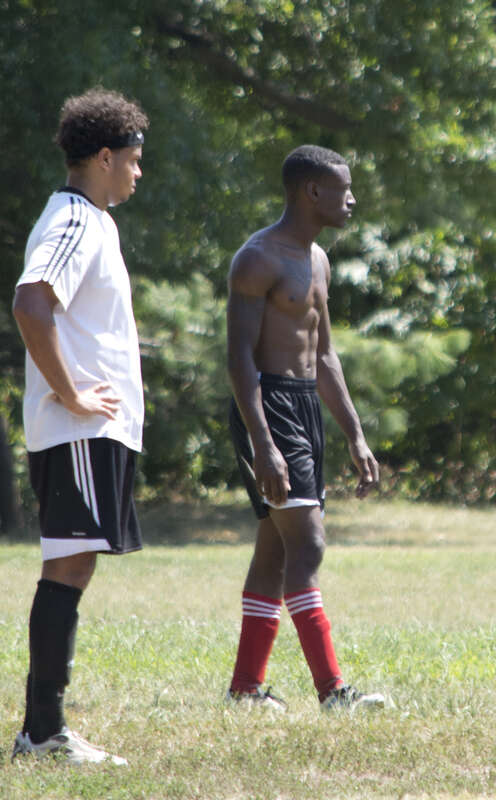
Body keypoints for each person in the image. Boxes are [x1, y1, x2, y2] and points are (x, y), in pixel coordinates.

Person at [11, 87, 149, 764]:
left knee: (76, 563)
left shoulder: (94, 221)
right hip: (76, 432)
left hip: (92, 433)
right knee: (67, 565)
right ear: (103, 155)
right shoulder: (72, 219)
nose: (137, 171)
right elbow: (31, 303)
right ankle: (43, 733)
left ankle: (43, 728)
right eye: (132, 158)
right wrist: (71, 394)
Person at [226, 144, 384, 711]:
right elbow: (239, 358)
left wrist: (354, 434)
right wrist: (262, 442)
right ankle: (333, 692)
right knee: (309, 544)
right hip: (268, 408)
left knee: (275, 551)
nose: (352, 199)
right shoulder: (257, 258)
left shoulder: (317, 260)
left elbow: (325, 357)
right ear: (311, 192)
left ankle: (245, 691)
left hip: (305, 409)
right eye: (344, 189)